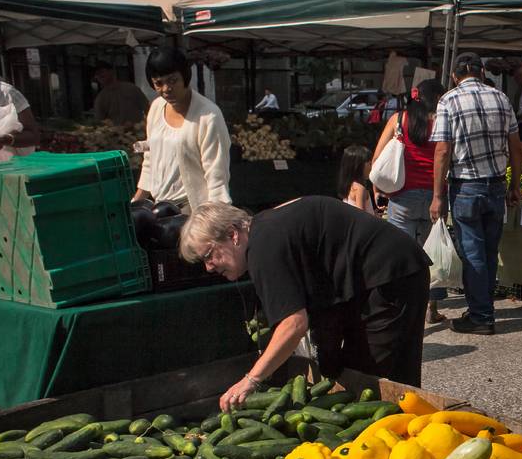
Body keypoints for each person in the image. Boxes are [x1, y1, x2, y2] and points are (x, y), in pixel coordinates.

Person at [179, 197, 431, 408]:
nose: (208, 267)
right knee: (362, 373)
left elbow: (293, 324)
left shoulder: (262, 249)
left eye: (209, 255)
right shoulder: (264, 231)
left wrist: (251, 380)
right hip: (382, 274)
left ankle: (411, 436)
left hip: (390, 273)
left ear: (232, 234)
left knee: (373, 381)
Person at [430, 53, 522, 335]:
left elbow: (442, 151)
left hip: (466, 188)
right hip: (496, 186)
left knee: (473, 254)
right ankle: (483, 310)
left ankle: (481, 316)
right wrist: (515, 185)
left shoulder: (448, 100)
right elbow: (516, 147)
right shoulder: (501, 98)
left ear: (454, 76)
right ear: (482, 72)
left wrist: (437, 195)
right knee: (489, 252)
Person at [371, 79, 447, 324]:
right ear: (438, 98)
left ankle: (400, 305)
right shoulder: (443, 122)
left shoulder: (399, 120)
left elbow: (378, 157)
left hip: (402, 197)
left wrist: (377, 188)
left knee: (399, 253)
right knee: (431, 254)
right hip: (435, 197)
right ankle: (431, 307)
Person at [133, 47, 231, 212]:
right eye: (158, 83)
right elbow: (151, 159)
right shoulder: (156, 108)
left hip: (193, 209)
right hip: (160, 206)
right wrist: (136, 201)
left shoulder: (208, 115)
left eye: (172, 81)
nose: (166, 89)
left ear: (185, 76)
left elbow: (217, 173)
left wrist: (213, 217)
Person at [337, 144, 376, 215]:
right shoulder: (360, 189)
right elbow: (361, 216)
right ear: (359, 166)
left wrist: (375, 214)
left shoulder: (350, 186)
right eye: (370, 164)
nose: (372, 167)